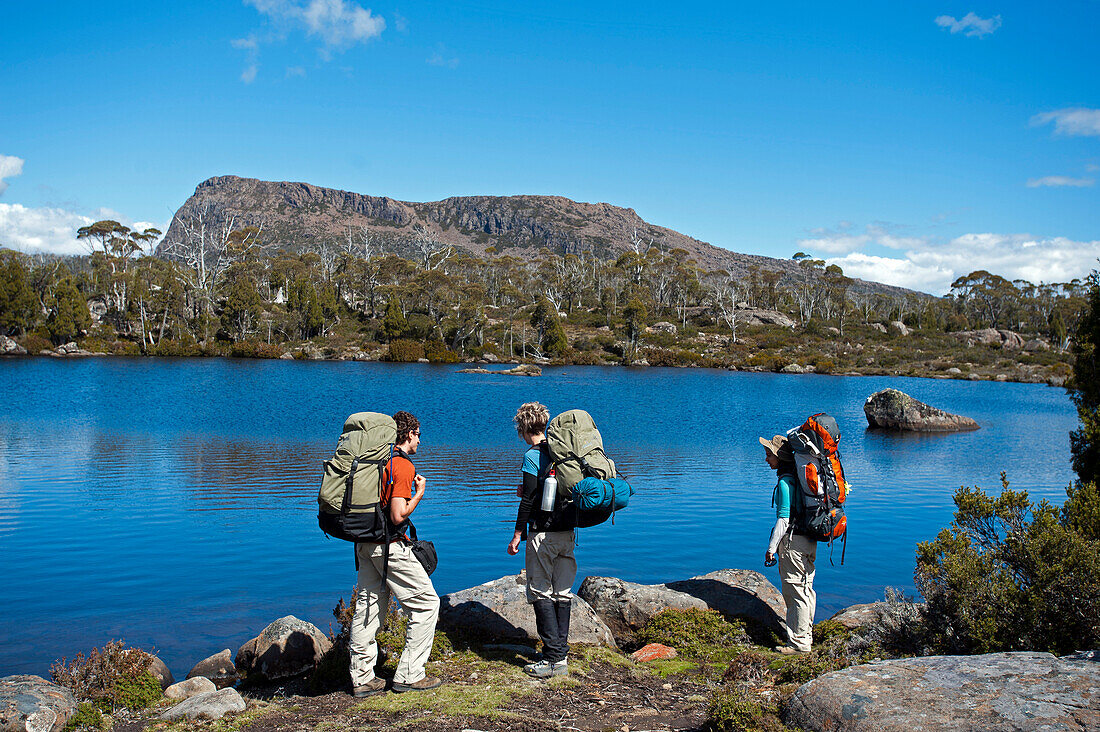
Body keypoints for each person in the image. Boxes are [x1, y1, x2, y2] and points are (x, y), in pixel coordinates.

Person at [349, 411, 442, 696]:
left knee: (367, 608)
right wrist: (419, 495)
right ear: (410, 434)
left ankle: (362, 678)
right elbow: (398, 515)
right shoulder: (402, 466)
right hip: (388, 546)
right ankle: (410, 675)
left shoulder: (379, 461)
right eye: (419, 434)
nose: (420, 440)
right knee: (427, 604)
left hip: (364, 544)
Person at [507, 402, 576, 678]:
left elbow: (528, 500)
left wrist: (517, 534)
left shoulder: (532, 455)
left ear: (524, 428)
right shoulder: (561, 453)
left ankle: (553, 659)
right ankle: (560, 651)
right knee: (562, 592)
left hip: (542, 534)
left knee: (539, 591)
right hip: (568, 532)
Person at [761, 433, 817, 655]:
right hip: (810, 541)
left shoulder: (785, 482)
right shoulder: (799, 478)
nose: (766, 459)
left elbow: (784, 519)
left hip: (793, 544)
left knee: (795, 593)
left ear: (779, 457)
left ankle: (799, 644)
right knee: (806, 590)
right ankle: (806, 635)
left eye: (769, 455)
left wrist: (771, 549)